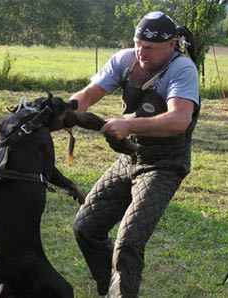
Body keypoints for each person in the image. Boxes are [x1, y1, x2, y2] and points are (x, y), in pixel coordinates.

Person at [71, 11, 200, 297]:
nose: (141, 51)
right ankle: (111, 289)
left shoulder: (182, 69)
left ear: (171, 44)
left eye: (150, 47)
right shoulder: (126, 60)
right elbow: (89, 94)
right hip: (129, 158)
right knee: (86, 228)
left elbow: (179, 120)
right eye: (138, 43)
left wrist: (128, 125)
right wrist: (62, 110)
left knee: (129, 241)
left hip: (165, 164)